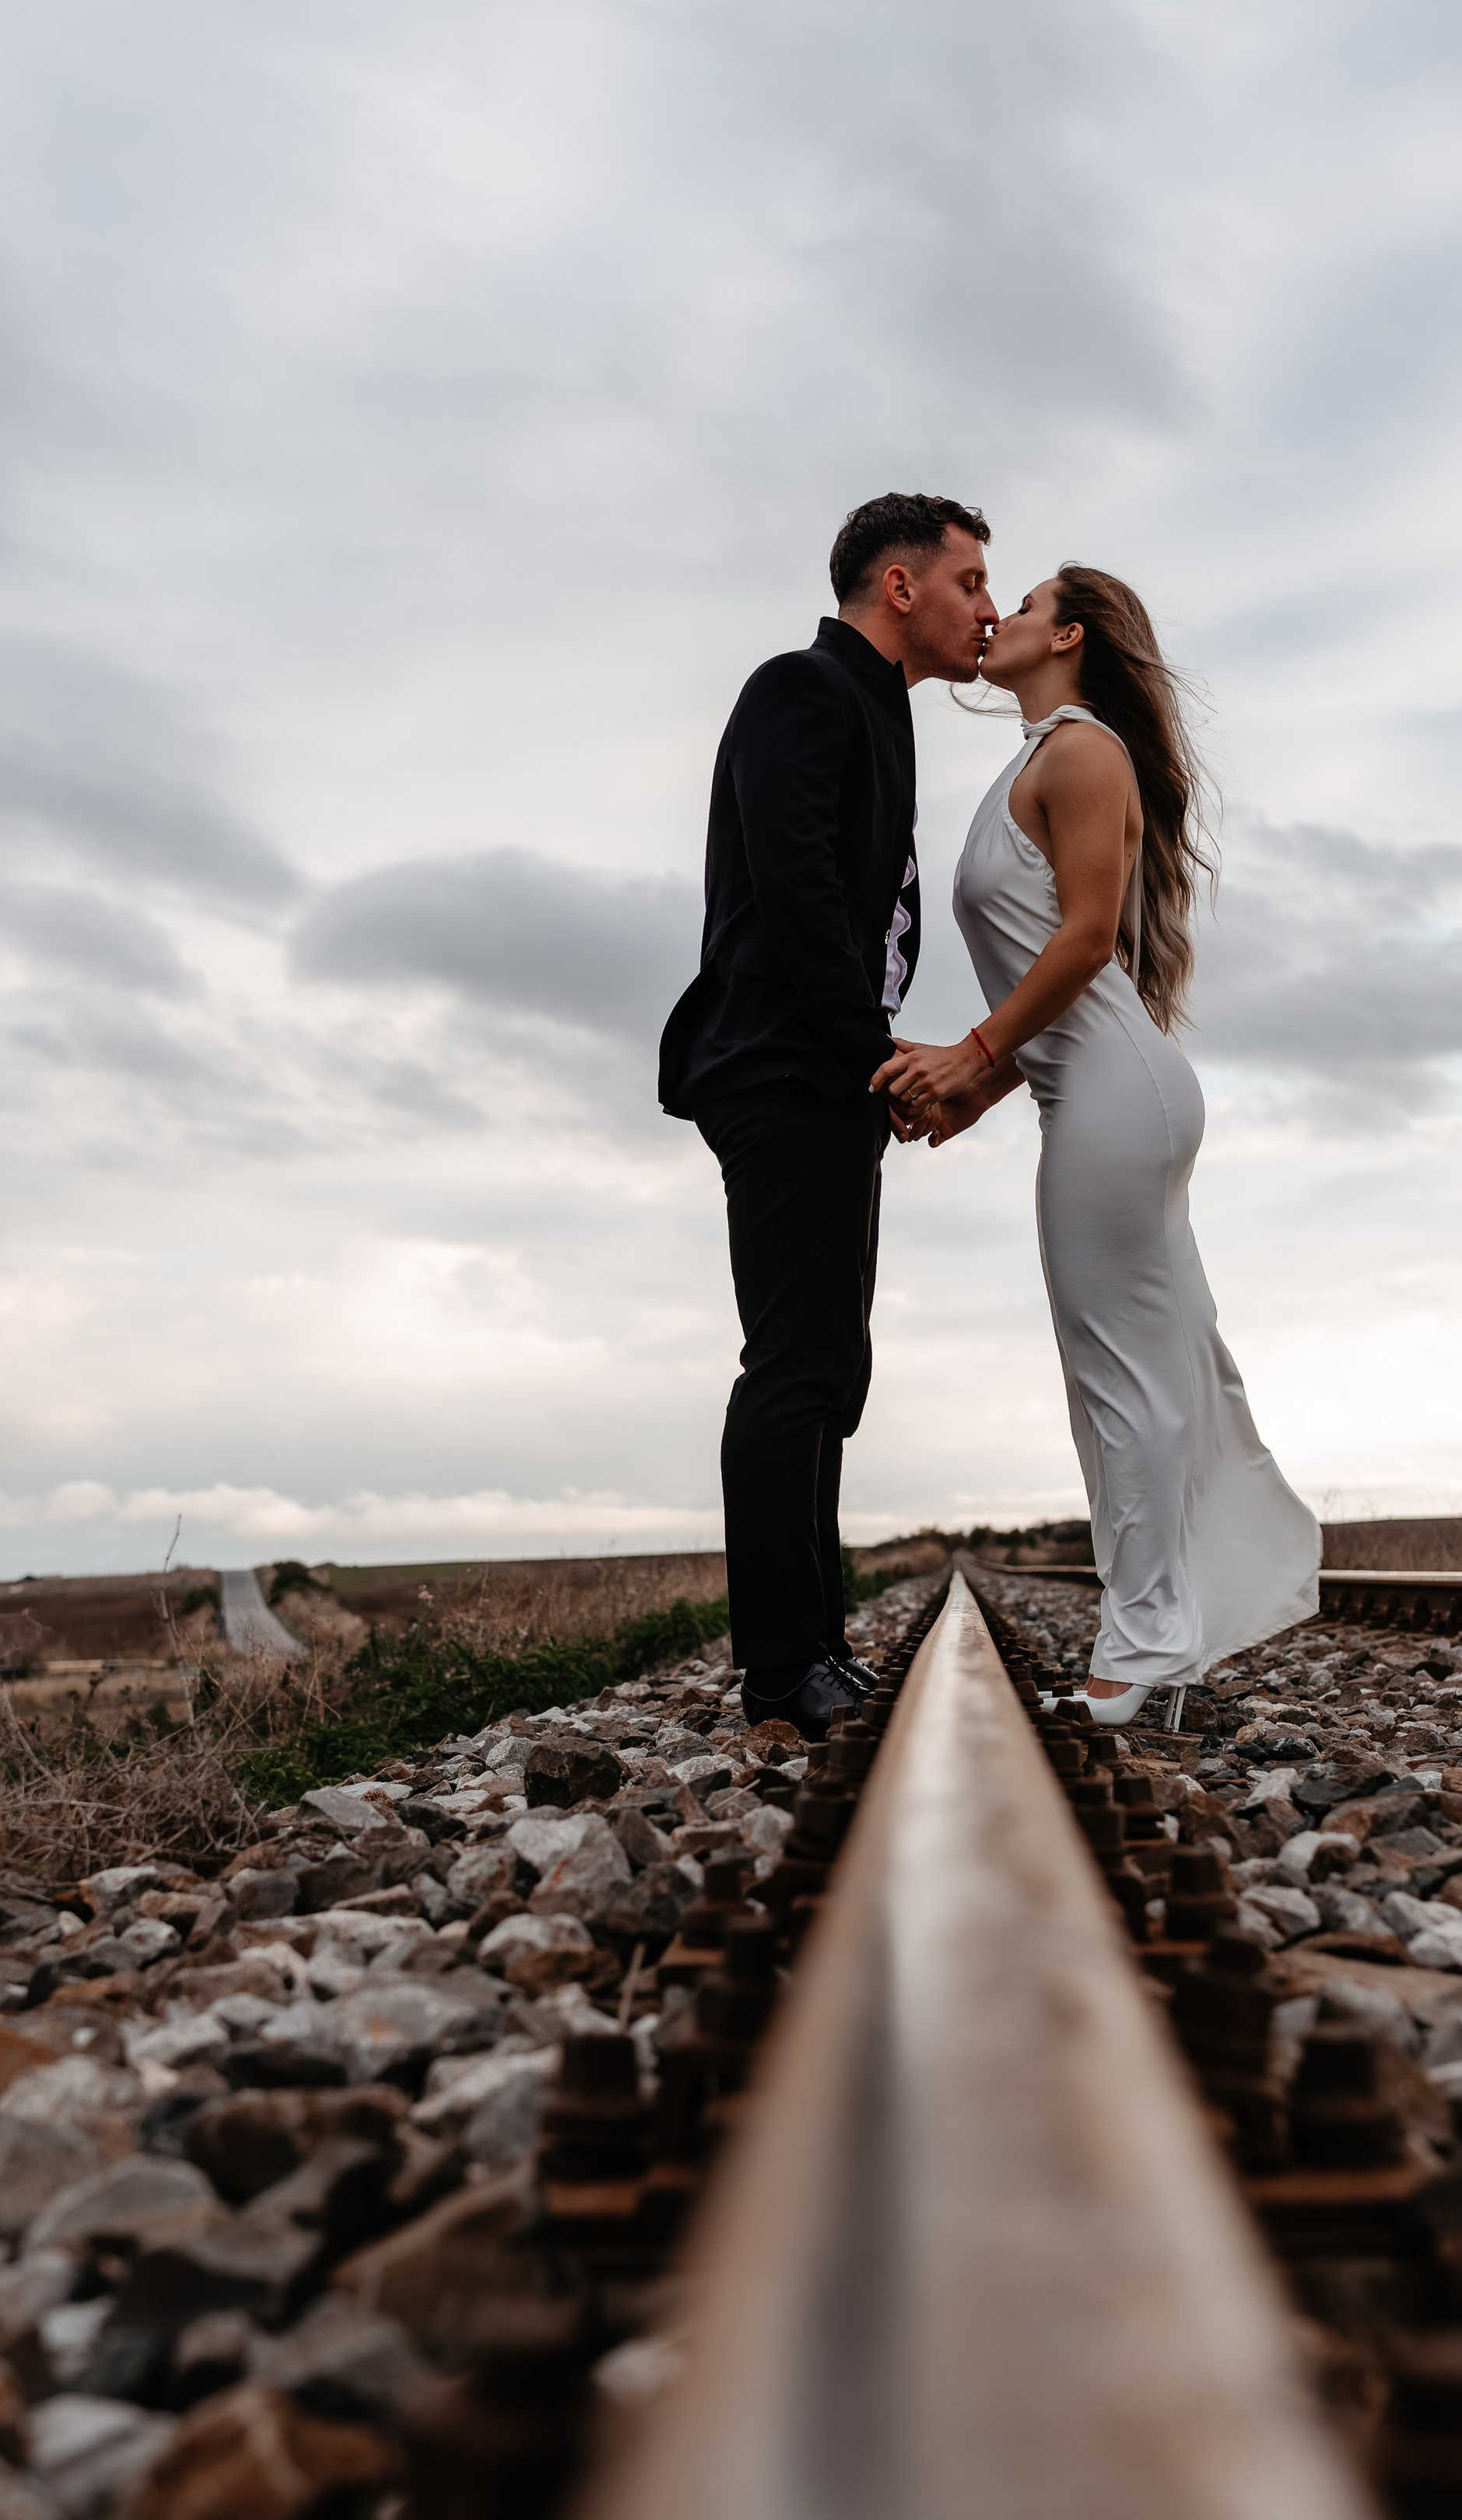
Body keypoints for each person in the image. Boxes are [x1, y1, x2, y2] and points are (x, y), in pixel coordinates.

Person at [875, 563, 1318, 1724]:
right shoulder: (1040, 759)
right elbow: (1057, 968)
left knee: (1121, 1378)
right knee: (1146, 1370)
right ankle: (1165, 1633)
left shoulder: (1081, 751)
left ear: (1066, 634)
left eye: (1017, 604)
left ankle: (1142, 1647)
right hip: (1098, 1088)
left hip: (1113, 1093)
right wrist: (983, 1088)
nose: (996, 617)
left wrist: (973, 1056)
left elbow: (1081, 946)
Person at [661, 492, 997, 1740]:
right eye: (970, 582)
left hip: (826, 1074)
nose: (988, 609)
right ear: (899, 588)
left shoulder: (876, 709)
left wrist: (873, 1067)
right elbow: (800, 888)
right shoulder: (800, 687)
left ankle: (816, 1647)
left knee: (830, 1368)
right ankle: (778, 1670)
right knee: (794, 1364)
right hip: (785, 1066)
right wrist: (880, 1058)